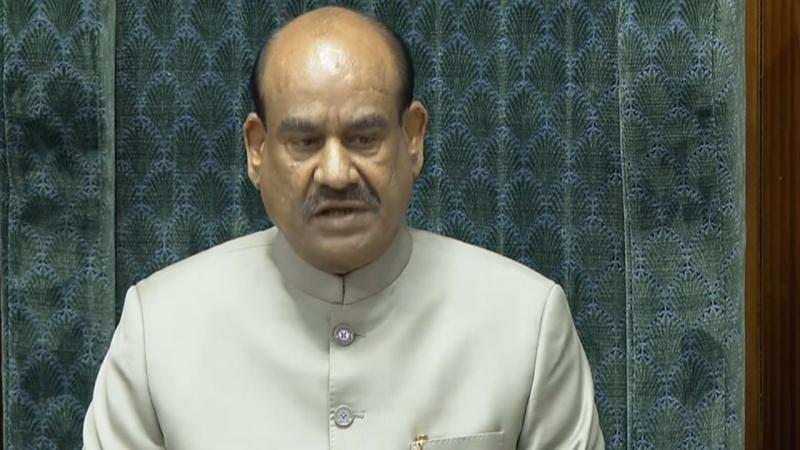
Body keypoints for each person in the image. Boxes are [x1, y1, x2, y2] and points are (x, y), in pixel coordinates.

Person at [83, 6, 603, 449]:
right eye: (305, 142)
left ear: (413, 138)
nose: (335, 174)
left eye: (364, 138)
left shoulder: (525, 322)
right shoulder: (160, 329)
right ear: (257, 149)